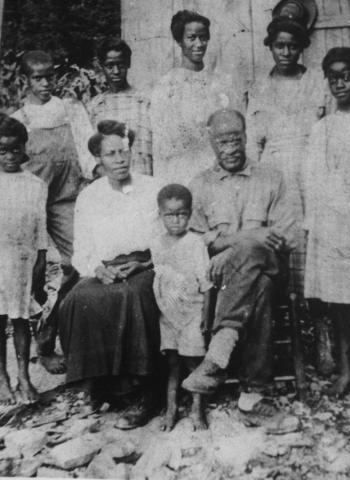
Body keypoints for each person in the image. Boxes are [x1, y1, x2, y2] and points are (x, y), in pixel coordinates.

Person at [181, 109, 296, 399]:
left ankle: (220, 349)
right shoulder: (199, 185)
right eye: (222, 142)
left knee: (258, 266)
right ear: (211, 143)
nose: (231, 148)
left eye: (236, 140)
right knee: (260, 286)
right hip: (223, 281)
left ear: (246, 137)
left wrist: (235, 249)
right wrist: (246, 238)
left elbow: (286, 237)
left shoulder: (272, 178)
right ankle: (255, 396)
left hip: (271, 267)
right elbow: (193, 243)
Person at [59, 120, 162, 428]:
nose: (119, 159)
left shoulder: (150, 188)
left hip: (146, 265)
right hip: (106, 268)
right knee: (78, 298)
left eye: (123, 151)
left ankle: (144, 393)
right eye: (110, 154)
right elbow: (82, 250)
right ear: (99, 160)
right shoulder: (89, 197)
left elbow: (166, 238)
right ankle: (98, 386)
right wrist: (97, 270)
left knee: (132, 296)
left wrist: (145, 264)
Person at [11, 50, 95, 374]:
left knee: (80, 262)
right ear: (26, 80)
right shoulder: (21, 119)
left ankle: (65, 333)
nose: (45, 83)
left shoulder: (69, 110)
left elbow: (87, 148)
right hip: (31, 205)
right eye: (37, 78)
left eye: (49, 76)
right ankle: (42, 348)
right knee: (34, 274)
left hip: (64, 198)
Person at [246, 8, 327, 302]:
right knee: (280, 238)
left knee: (312, 236)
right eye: (280, 45)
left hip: (310, 169)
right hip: (274, 172)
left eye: (293, 46)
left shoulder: (316, 81)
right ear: (270, 46)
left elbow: (327, 129)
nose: (286, 52)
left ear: (302, 47)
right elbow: (253, 142)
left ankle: (314, 309)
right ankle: (287, 311)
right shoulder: (260, 87)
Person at [303, 47, 350, 398]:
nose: (339, 83)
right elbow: (314, 179)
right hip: (336, 222)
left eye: (347, 76)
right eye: (333, 77)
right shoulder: (322, 128)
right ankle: (345, 369)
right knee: (340, 300)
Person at [150, 10, 240, 184]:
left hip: (218, 170)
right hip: (182, 172)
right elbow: (161, 145)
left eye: (203, 37)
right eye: (191, 38)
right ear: (179, 41)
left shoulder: (222, 85)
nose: (199, 44)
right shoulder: (166, 87)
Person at [151, 184, 212, 431]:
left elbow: (207, 285)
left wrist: (206, 318)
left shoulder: (196, 243)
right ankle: (171, 409)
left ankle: (197, 409)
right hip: (168, 314)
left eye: (182, 214)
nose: (176, 220)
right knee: (173, 363)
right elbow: (159, 274)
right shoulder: (156, 243)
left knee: (193, 362)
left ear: (189, 213)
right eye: (170, 214)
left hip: (193, 312)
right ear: (160, 214)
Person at [0, 114, 47, 405]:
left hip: (21, 259)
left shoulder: (35, 184)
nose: (9, 156)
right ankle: (2, 378)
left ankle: (24, 377)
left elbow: (41, 225)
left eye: (15, 150)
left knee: (21, 319)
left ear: (24, 148)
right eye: (1, 151)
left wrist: (41, 258)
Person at [87, 37, 152, 175]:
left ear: (128, 64)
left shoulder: (145, 101)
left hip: (143, 177)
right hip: (110, 181)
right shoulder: (95, 106)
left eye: (120, 65)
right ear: (101, 66)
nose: (116, 71)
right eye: (110, 66)